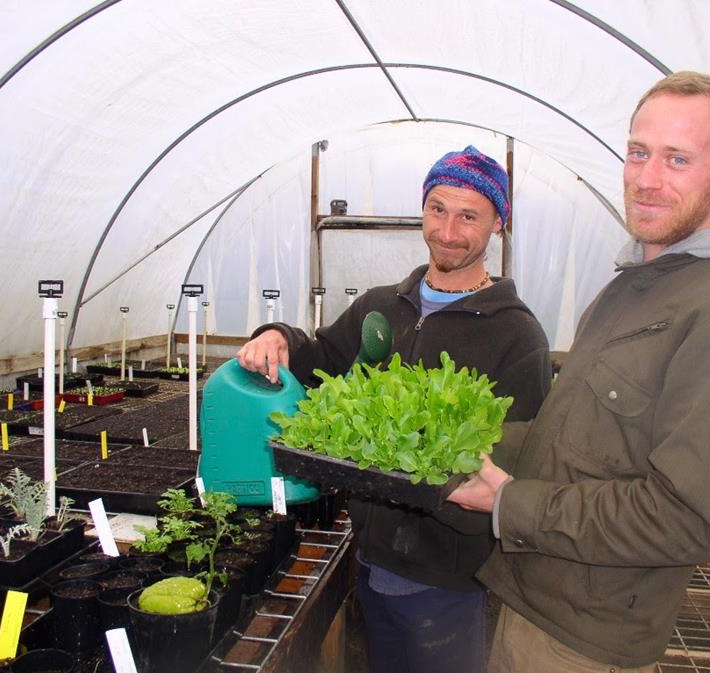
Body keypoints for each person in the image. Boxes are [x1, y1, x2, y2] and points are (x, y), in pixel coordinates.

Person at [447, 71, 710, 673]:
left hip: (585, 641)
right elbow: (571, 437)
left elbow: (683, 519)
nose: (647, 178)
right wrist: (449, 443)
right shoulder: (632, 288)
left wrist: (511, 506)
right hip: (533, 601)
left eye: (678, 158)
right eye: (638, 152)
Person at [237, 146, 552, 673]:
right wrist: (277, 336)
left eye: (468, 215)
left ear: (498, 223)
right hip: (369, 551)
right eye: (436, 209)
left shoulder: (517, 334)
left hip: (445, 574)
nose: (448, 230)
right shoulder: (381, 306)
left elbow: (521, 459)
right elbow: (321, 362)